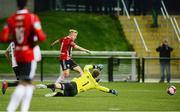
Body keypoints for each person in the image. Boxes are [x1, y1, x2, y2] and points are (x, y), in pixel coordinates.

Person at [0, 0, 46, 111]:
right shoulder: (32, 18)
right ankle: (11, 109)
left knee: (26, 82)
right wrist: (31, 44)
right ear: (27, 4)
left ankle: (23, 109)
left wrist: (15, 41)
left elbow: (3, 38)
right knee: (26, 83)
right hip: (28, 54)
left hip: (17, 54)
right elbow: (42, 37)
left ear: (17, 4)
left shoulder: (11, 19)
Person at [36, 64, 118, 97]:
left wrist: (95, 66)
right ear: (97, 76)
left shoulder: (87, 73)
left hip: (73, 84)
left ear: (92, 72)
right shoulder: (95, 85)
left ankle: (46, 86)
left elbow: (86, 66)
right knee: (64, 95)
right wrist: (111, 91)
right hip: (75, 92)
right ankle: (56, 94)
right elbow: (103, 89)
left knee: (60, 85)